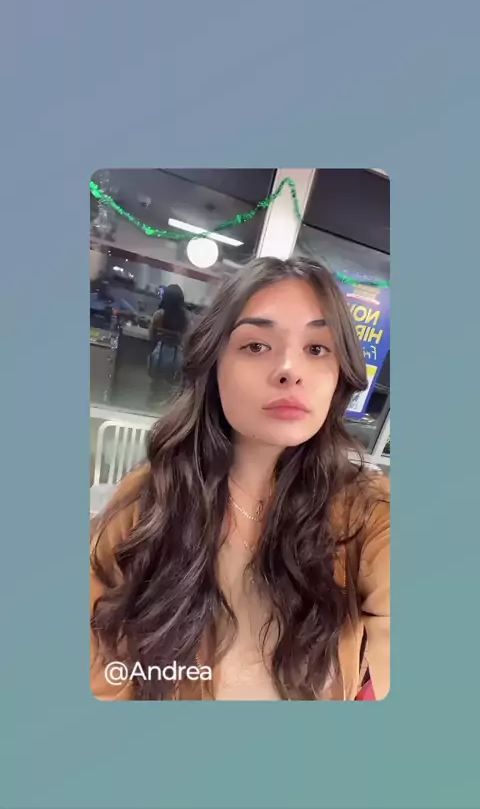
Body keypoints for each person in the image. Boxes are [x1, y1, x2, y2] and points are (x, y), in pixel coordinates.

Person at [90, 256, 390, 701]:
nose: (290, 369)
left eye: (317, 349)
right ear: (213, 364)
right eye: (256, 346)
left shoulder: (368, 512)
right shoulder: (153, 494)